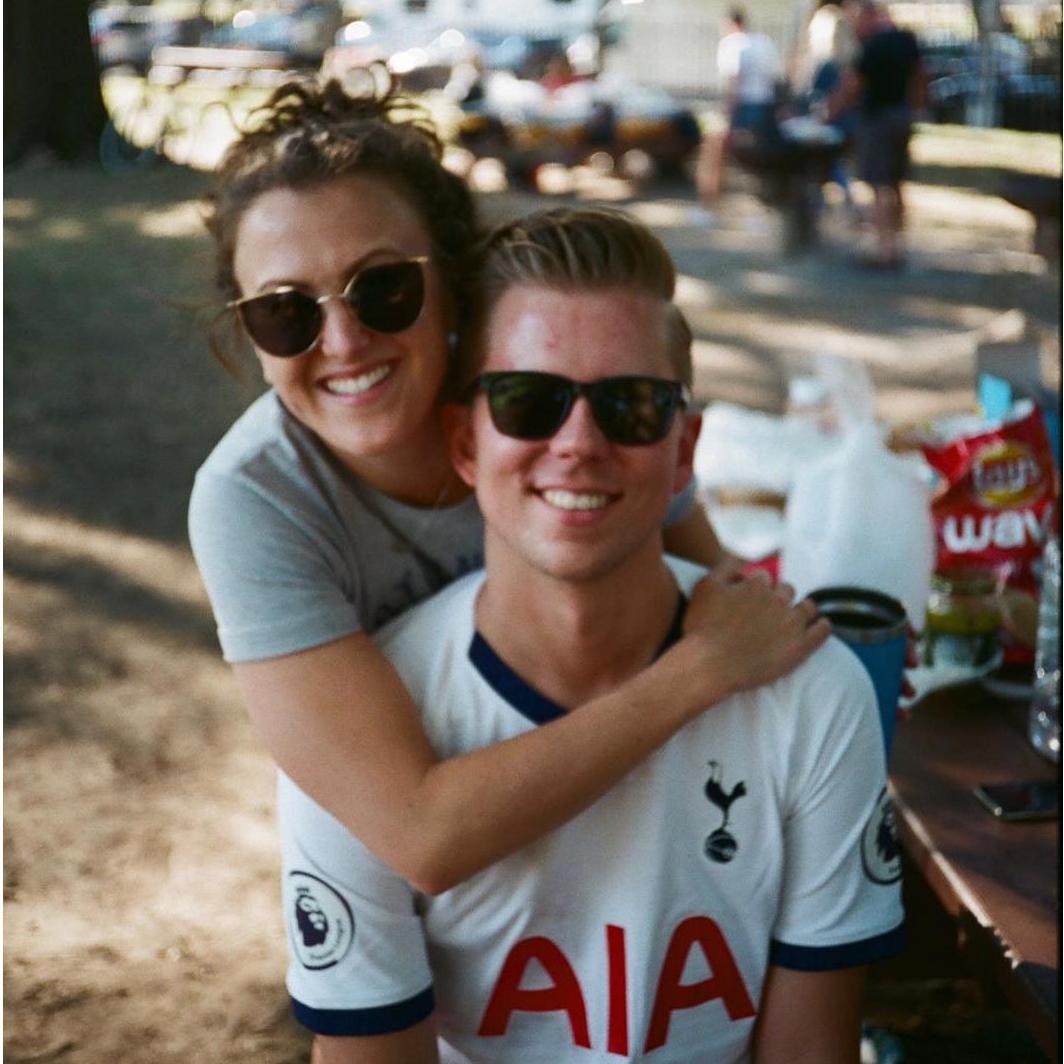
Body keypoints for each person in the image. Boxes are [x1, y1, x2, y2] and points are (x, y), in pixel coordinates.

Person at [188, 68, 829, 910]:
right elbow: (417, 833)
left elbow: (727, 595)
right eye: (284, 310)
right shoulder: (256, 501)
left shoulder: (564, 408)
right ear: (248, 332)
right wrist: (697, 673)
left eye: (385, 287)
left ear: (450, 279)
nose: (343, 340)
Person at [284, 207, 905, 1063]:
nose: (578, 443)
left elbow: (809, 1050)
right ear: (465, 441)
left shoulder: (812, 688)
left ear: (683, 452)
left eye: (631, 406)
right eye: (528, 400)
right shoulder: (365, 735)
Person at [829, 0, 927, 268]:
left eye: (856, 20)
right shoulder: (906, 39)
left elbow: (852, 85)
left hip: (878, 120)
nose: (854, 26)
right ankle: (896, 244)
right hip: (902, 117)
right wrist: (917, 109)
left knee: (880, 185)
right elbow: (921, 76)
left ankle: (883, 250)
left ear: (869, 16)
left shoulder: (873, 47)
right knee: (896, 183)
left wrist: (829, 113)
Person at [696, 7, 782, 212]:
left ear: (731, 24)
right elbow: (774, 78)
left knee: (714, 150)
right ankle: (758, 205)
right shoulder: (764, 42)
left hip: (744, 108)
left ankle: (709, 205)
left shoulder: (733, 44)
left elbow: (734, 81)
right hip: (766, 109)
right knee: (757, 159)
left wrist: (726, 114)